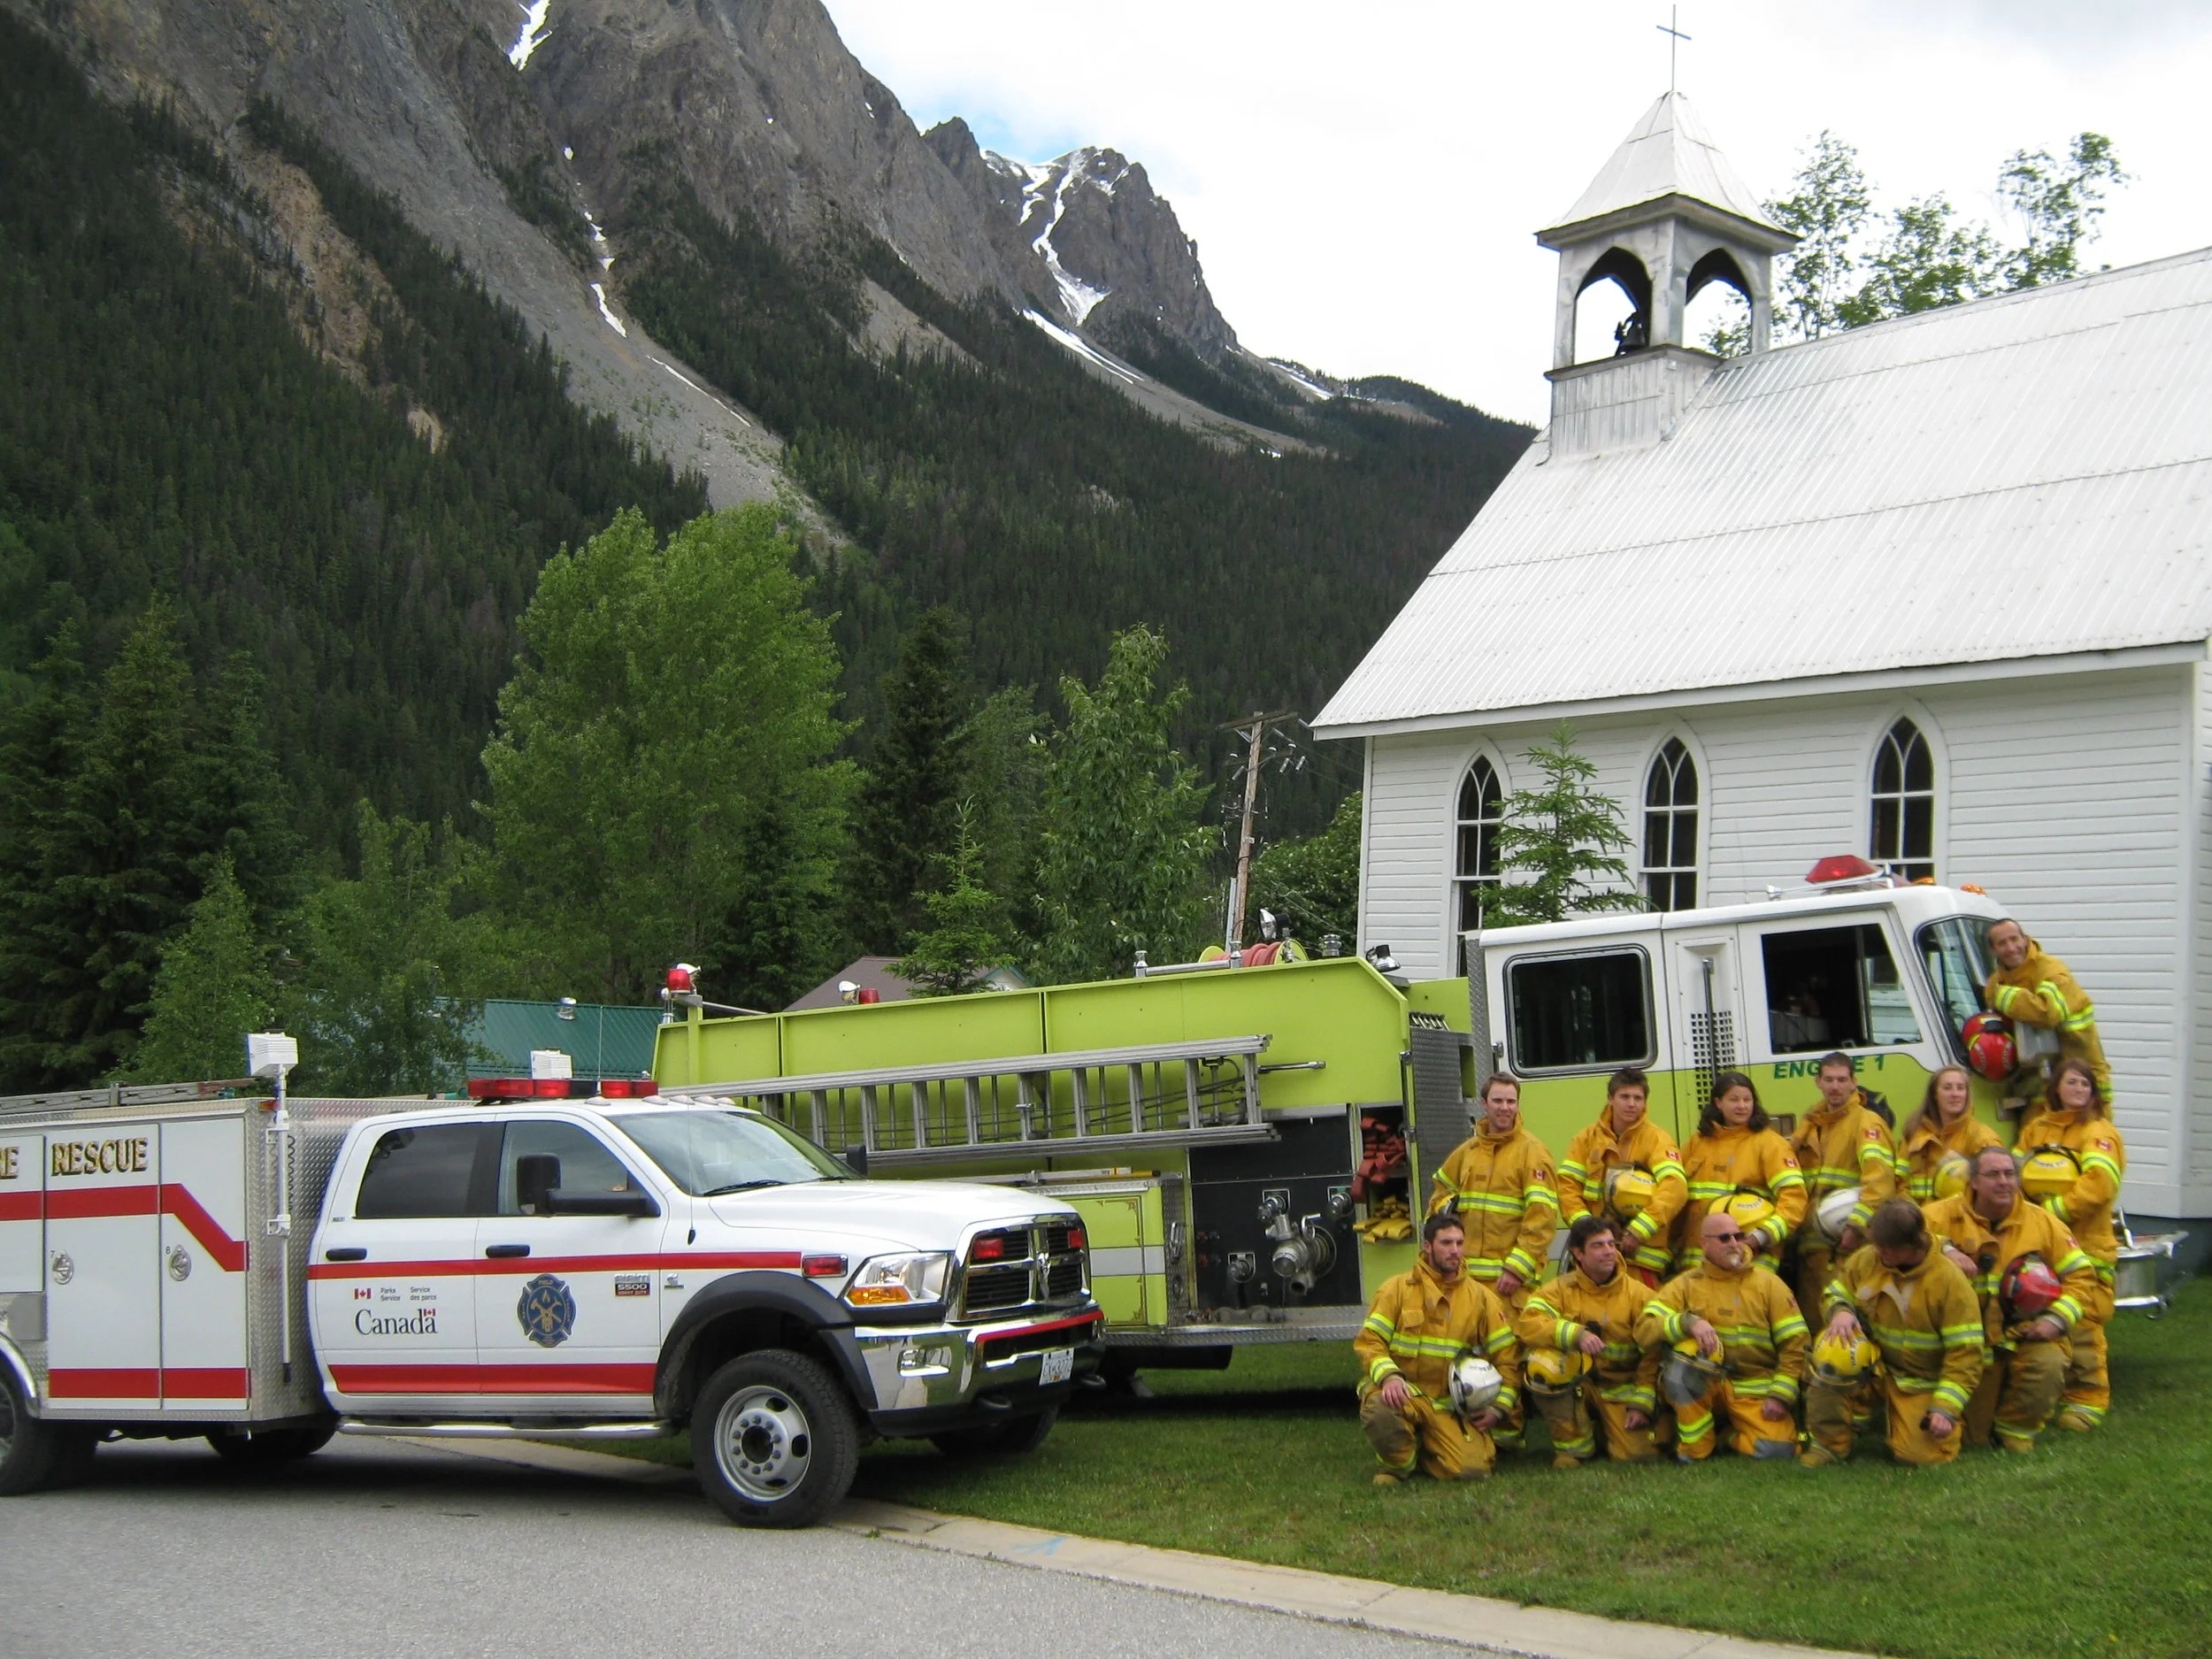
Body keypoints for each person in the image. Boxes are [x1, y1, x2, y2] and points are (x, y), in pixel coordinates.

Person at [1922, 1145, 2100, 1452]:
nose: (2003, 1182)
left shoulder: (2043, 1224)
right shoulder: (1937, 1216)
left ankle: (2015, 1431)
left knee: (2049, 1360)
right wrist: (1944, 1248)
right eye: (1993, 1174)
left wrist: (2056, 1320)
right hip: (1959, 1343)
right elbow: (1896, 1240)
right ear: (1974, 1182)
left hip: (2021, 1336)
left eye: (2009, 1174)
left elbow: (2081, 1276)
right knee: (1970, 1439)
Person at [1801, 1198, 1985, 1467]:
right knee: (1830, 1353)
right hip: (1875, 1367)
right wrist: (1840, 1310)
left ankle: (1929, 1426)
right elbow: (1835, 1292)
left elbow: (1966, 1355)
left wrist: (1945, 1409)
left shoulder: (1950, 1282)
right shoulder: (1869, 1259)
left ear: (1913, 1245)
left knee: (1919, 1457)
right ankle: (1829, 1444)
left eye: (1886, 1248)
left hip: (1920, 1381)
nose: (1878, 1253)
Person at [1355, 1210, 1523, 1485]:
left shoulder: (1481, 1299)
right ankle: (1397, 1466)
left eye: (1459, 1243)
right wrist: (1389, 1376)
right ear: (1428, 1246)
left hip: (1449, 1407)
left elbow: (1508, 1357)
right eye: (1446, 1243)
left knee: (1472, 1471)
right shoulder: (1395, 1290)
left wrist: (1499, 1409)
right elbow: (1369, 1342)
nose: (1455, 1251)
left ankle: (1430, 1449)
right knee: (1379, 1408)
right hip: (1404, 1394)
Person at [1639, 1210, 1809, 1462]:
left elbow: (1796, 1343)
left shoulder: (1769, 1284)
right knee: (1682, 1364)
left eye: (1738, 1236)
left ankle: (1724, 1435)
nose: (1734, 1244)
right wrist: (1687, 1322)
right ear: (1704, 1244)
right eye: (1724, 1238)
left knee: (1777, 1450)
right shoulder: (1685, 1284)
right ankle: (1696, 1448)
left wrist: (1780, 1396)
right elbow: (1644, 1330)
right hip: (1705, 1385)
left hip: (1755, 1390)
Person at [2015, 1057, 2127, 1431]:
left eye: (2085, 1084)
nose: (2078, 1090)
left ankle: (2088, 1399)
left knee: (2083, 1321)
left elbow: (2099, 1184)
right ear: (2056, 1087)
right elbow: (2014, 1174)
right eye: (2072, 1083)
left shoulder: (2099, 1133)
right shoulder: (2036, 1130)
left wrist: (2052, 1212)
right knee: (2037, 1312)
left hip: (2087, 1243)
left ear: (2093, 1093)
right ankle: (2048, 1393)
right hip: (2041, 1242)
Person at [1517, 1216, 1660, 1468]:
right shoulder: (1558, 1290)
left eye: (1611, 1244)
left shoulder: (1639, 1295)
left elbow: (1653, 1353)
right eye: (1598, 1245)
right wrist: (1575, 1334)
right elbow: (1528, 1323)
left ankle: (1606, 1432)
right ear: (1578, 1254)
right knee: (1543, 1363)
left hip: (1621, 1390)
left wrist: (1643, 1401)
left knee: (1637, 1455)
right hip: (1578, 1386)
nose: (1609, 1252)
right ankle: (1572, 1450)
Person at [1426, 1072, 1559, 1310]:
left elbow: (1542, 1219)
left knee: (1506, 1347)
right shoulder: (1468, 1151)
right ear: (1484, 1104)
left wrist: (1517, 1269)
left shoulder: (1533, 1152)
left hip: (1509, 1285)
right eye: (1498, 1101)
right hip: (1464, 1282)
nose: (1505, 1108)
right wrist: (1446, 1210)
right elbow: (1439, 1195)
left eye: (1511, 1102)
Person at [1787, 1051, 1899, 1328]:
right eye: (1829, 1079)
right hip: (1812, 1244)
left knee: (1844, 1318)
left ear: (1853, 1082)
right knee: (1814, 1320)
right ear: (1818, 1082)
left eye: (1841, 1079)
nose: (1835, 1086)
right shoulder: (1812, 1123)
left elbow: (1879, 1182)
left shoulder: (1866, 1124)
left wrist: (1856, 1226)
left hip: (1846, 1244)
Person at [1557, 1068, 1687, 1285]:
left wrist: (1640, 1230)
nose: (1631, 1104)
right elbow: (1567, 1187)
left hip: (1641, 1261)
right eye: (1624, 1097)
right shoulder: (1586, 1139)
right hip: (1594, 1264)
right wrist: (1588, 1230)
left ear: (1645, 1102)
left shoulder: (1657, 1140)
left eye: (1638, 1098)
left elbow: (1675, 1187)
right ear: (1610, 1099)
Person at [1676, 1071, 1807, 1269]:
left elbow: (1794, 1199)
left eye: (1747, 1099)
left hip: (1752, 1258)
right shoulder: (1698, 1142)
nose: (1742, 1106)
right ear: (1718, 1103)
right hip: (1699, 1263)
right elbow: (1677, 1194)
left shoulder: (1770, 1144)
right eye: (1734, 1099)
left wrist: (1761, 1236)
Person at [1984, 918, 2110, 1103]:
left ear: (2025, 940)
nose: (2011, 948)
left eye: (2014, 939)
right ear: (1993, 950)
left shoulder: (2051, 970)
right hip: (2040, 1087)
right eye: (2002, 943)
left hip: (2082, 1083)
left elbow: (2047, 1014)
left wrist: (2005, 997)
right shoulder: (1996, 983)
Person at [1899, 1064, 2003, 1202]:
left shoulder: (1983, 1137)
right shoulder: (1914, 1132)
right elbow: (1901, 1183)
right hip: (1918, 1218)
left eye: (1960, 1088)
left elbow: (1998, 1186)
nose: (1955, 1094)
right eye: (1947, 1088)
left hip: (1961, 1218)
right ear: (1934, 1094)